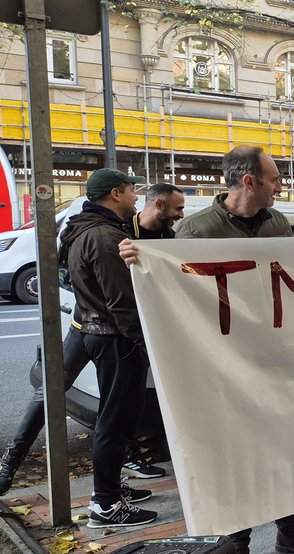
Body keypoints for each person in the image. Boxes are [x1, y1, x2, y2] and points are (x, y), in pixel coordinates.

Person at [122, 147, 294, 554]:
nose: (279, 185)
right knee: (237, 451)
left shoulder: (278, 222)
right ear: (249, 181)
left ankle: (291, 531)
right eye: (273, 178)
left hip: (275, 359)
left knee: (287, 444)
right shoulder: (197, 230)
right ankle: (236, 538)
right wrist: (141, 257)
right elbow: (174, 291)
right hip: (225, 366)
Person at [0, 184, 184, 495]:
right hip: (92, 327)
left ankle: (123, 463)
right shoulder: (117, 228)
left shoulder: (168, 238)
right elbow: (79, 275)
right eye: (177, 209)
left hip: (115, 329)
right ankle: (9, 463)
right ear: (160, 205)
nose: (181, 216)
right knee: (50, 392)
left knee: (121, 405)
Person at [61, 168, 157, 528]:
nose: (136, 198)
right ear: (116, 193)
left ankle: (112, 490)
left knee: (115, 417)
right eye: (132, 191)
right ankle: (105, 505)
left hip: (100, 332)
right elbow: (122, 300)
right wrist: (143, 344)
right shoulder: (103, 237)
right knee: (115, 419)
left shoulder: (84, 229)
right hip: (115, 337)